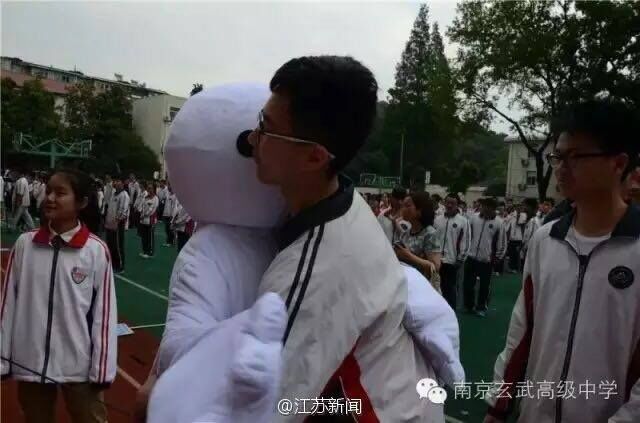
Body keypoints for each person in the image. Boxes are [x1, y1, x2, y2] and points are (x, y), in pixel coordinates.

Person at [249, 56, 442, 420]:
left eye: (266, 127)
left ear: (315, 157)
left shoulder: (315, 272)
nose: (252, 138)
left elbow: (269, 409)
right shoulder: (345, 203)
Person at [484, 100, 640, 423]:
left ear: (618, 163)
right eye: (558, 155)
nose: (561, 167)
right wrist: (498, 406)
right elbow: (521, 332)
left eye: (576, 157)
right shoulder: (546, 240)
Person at [1, 169, 117, 423]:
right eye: (49, 190)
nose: (50, 197)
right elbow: (8, 304)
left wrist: (101, 369)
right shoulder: (25, 245)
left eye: (60, 193)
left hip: (79, 367)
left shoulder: (95, 251)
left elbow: (104, 315)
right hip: (31, 362)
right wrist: (3, 356)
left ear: (82, 202)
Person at [463, 197, 507, 317]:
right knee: (468, 284)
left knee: (484, 286)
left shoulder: (499, 222)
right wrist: (465, 252)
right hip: (471, 257)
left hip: (487, 260)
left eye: (488, 207)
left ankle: (481, 307)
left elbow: (502, 243)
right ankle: (469, 305)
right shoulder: (474, 218)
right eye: (483, 206)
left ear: (494, 209)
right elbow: (467, 236)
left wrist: (497, 258)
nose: (485, 209)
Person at [395, 191, 443, 293]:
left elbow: (434, 267)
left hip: (425, 290)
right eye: (402, 206)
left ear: (420, 210)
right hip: (410, 287)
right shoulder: (406, 233)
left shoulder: (430, 233)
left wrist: (408, 256)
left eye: (407, 206)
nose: (402, 209)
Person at [434, 193, 470, 310]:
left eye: (452, 203)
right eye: (447, 202)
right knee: (436, 287)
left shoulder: (463, 221)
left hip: (452, 261)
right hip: (436, 260)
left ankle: (451, 312)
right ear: (444, 203)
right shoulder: (437, 220)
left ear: (457, 205)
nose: (449, 205)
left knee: (450, 289)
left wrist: (460, 259)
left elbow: (466, 241)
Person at [105, 176, 129, 273]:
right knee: (110, 245)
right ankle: (112, 264)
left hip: (118, 224)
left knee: (118, 245)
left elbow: (123, 211)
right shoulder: (113, 194)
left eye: (118, 181)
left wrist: (117, 221)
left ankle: (120, 266)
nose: (116, 183)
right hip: (109, 224)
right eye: (115, 181)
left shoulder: (124, 195)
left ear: (122, 184)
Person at [505, 204, 527, 273]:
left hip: (519, 238)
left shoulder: (524, 215)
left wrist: (518, 216)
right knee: (511, 253)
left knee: (516, 254)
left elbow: (520, 223)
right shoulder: (512, 215)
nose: (518, 209)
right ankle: (511, 267)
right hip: (511, 237)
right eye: (517, 208)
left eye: (520, 208)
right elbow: (508, 223)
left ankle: (516, 268)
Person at [139, 182, 159, 259]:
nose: (149, 189)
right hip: (143, 220)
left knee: (149, 237)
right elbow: (143, 207)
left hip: (151, 221)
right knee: (144, 236)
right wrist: (142, 214)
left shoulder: (155, 198)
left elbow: (152, 210)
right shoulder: (146, 197)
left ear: (154, 189)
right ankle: (144, 251)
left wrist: (144, 215)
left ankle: (150, 252)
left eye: (151, 188)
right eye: (148, 188)